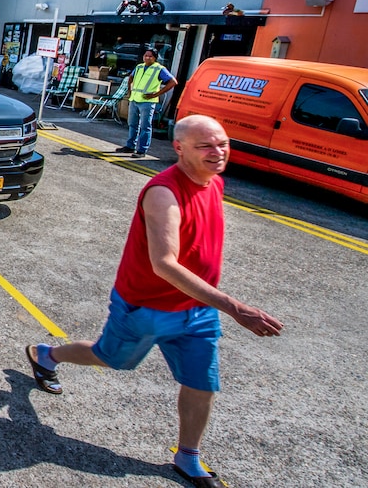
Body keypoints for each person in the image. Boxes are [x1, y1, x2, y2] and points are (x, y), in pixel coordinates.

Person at [25, 115, 283, 488]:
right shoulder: (163, 192)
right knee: (110, 358)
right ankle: (46, 355)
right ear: (178, 148)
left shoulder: (214, 183)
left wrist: (214, 302)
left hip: (197, 310)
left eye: (222, 143)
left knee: (202, 381)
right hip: (146, 309)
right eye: (205, 146)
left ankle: (188, 456)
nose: (218, 152)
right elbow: (164, 264)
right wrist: (235, 307)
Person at [117, 49, 177, 158]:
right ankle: (130, 146)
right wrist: (130, 90)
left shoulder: (159, 69)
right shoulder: (139, 67)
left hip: (147, 102)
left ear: (155, 58)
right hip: (135, 99)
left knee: (145, 126)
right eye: (145, 55)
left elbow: (173, 82)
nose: (147, 58)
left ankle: (142, 150)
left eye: (150, 56)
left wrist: (156, 94)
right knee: (132, 124)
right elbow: (130, 77)